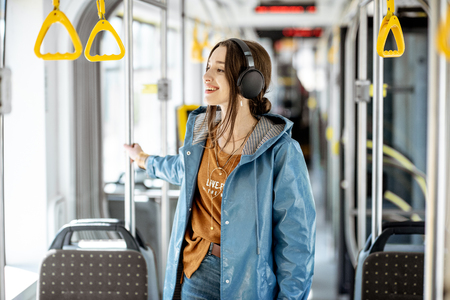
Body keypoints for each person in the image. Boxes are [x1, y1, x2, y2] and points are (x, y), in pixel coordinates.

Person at [124, 38, 316, 300]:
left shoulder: (279, 151)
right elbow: (183, 170)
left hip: (246, 279)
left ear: (248, 80)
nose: (206, 76)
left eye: (219, 69)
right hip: (196, 268)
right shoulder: (201, 132)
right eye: (207, 67)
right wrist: (143, 158)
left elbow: (296, 241)